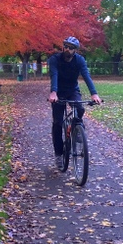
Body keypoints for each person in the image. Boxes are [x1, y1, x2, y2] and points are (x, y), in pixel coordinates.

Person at [47, 36, 101, 166]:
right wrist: (53, 92)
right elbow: (54, 75)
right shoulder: (55, 59)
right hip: (58, 91)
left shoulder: (79, 60)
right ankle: (59, 154)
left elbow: (86, 76)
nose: (67, 49)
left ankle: (76, 127)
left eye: (71, 48)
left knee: (80, 108)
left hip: (72, 90)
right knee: (57, 123)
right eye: (65, 46)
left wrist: (94, 94)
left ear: (75, 50)